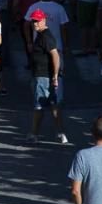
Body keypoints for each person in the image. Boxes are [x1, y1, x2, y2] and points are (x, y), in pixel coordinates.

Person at [26, 9, 66, 144]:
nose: (34, 24)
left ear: (43, 20)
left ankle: (34, 134)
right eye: (33, 21)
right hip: (43, 75)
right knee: (54, 106)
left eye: (37, 21)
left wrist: (55, 75)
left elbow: (55, 55)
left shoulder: (46, 37)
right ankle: (60, 134)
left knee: (39, 106)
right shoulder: (42, 35)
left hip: (43, 76)